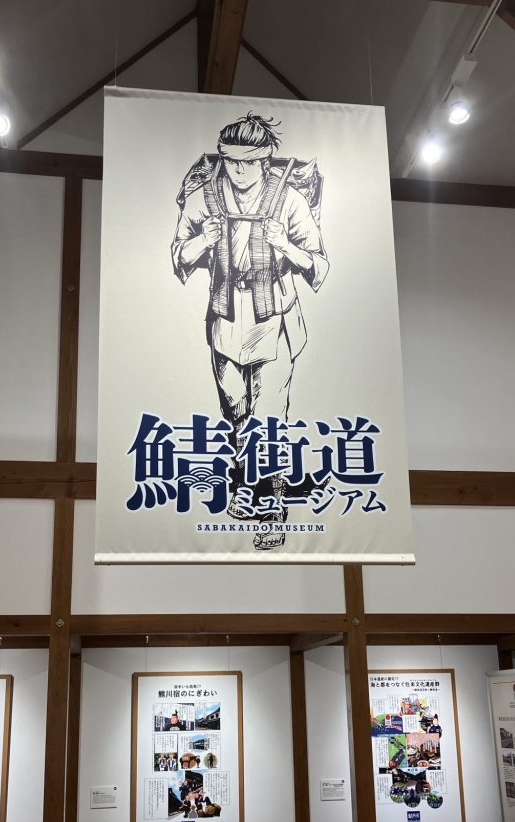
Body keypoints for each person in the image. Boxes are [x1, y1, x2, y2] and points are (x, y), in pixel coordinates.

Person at [172, 112, 329, 548]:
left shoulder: (289, 200)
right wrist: (203, 240)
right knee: (237, 410)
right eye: (230, 161)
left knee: (270, 415)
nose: (238, 170)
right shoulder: (203, 197)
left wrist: (286, 246)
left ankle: (273, 504)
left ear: (264, 160)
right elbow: (178, 255)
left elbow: (319, 265)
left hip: (274, 313)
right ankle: (244, 483)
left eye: (248, 162)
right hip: (225, 315)